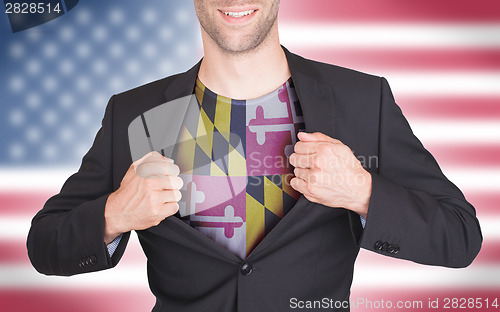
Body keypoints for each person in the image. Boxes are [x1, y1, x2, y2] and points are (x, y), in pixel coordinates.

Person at [27, 1, 482, 311]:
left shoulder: (363, 100)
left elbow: (460, 236)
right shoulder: (134, 112)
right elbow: (45, 245)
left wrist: (363, 191)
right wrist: (114, 214)